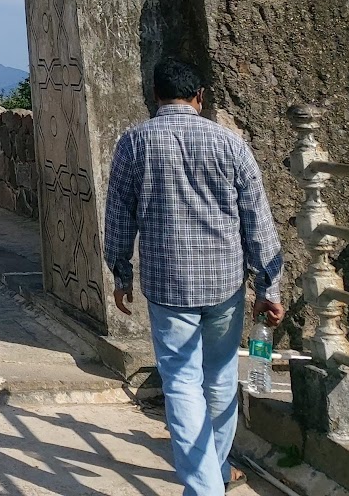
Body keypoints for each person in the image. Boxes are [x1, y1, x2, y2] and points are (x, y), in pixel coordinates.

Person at [104, 58, 285, 496]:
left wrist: (121, 272)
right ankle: (216, 472)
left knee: (182, 383)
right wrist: (269, 286)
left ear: (155, 96)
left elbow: (119, 216)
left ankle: (205, 484)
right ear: (199, 96)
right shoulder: (230, 144)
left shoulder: (134, 143)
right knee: (220, 378)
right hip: (224, 283)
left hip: (167, 285)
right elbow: (257, 221)